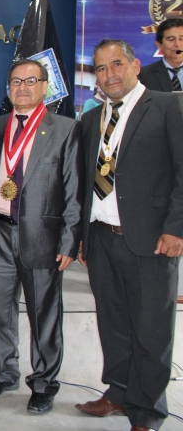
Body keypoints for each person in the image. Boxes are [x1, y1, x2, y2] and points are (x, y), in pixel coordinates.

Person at [75, 39, 183, 431]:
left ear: (136, 65)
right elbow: (87, 182)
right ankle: (118, 393)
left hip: (152, 240)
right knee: (114, 324)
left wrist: (176, 229)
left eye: (117, 65)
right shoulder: (91, 119)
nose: (109, 75)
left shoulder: (170, 106)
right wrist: (84, 237)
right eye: (101, 69)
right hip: (102, 239)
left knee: (152, 331)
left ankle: (147, 411)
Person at [0, 59, 84, 413]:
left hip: (42, 237)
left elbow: (74, 190)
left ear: (44, 86)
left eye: (31, 81)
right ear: (8, 88)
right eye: (15, 81)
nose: (22, 87)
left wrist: (69, 241)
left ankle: (43, 383)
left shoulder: (64, 129)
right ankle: (3, 373)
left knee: (43, 315)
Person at [138, 18, 183, 92]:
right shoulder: (143, 75)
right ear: (159, 45)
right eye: (171, 39)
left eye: (182, 39)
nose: (177, 45)